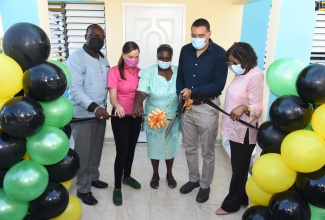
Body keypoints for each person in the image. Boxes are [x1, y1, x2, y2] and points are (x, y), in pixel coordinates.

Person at [176, 18, 228, 203]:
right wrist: (180, 95)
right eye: (193, 35)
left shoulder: (220, 54)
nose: (196, 38)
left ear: (209, 35)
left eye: (200, 35)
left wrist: (194, 92)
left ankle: (205, 185)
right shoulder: (185, 50)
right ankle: (193, 179)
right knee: (189, 147)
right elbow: (180, 75)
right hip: (187, 107)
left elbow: (218, 84)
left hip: (207, 107)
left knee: (207, 151)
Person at [215, 42, 263, 215]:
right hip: (234, 128)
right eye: (230, 63)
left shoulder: (256, 76)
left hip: (244, 131)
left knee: (239, 169)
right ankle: (242, 199)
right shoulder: (242, 73)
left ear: (246, 58)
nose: (232, 66)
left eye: (235, 62)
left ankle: (231, 204)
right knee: (238, 167)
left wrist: (244, 108)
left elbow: (257, 106)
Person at [67, 24, 110, 206]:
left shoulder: (103, 58)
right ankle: (83, 188)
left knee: (96, 150)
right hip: (84, 114)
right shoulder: (76, 58)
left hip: (99, 113)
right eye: (93, 35)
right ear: (86, 36)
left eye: (101, 37)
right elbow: (75, 89)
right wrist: (94, 108)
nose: (97, 39)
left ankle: (93, 177)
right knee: (83, 154)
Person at [132, 44, 181, 190]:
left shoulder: (179, 72)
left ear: (171, 57)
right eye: (161, 57)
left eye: (167, 58)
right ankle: (155, 174)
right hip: (154, 116)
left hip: (173, 117)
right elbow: (141, 91)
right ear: (157, 56)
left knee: (171, 147)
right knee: (155, 147)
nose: (164, 60)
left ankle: (170, 174)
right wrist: (137, 105)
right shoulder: (148, 73)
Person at [107, 41, 142, 206]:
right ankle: (117, 186)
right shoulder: (114, 71)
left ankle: (127, 176)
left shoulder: (141, 73)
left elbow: (141, 95)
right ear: (123, 55)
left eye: (136, 57)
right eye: (130, 57)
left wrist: (140, 110)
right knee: (122, 151)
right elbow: (112, 96)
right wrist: (118, 105)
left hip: (135, 115)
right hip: (120, 116)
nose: (133, 60)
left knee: (132, 148)